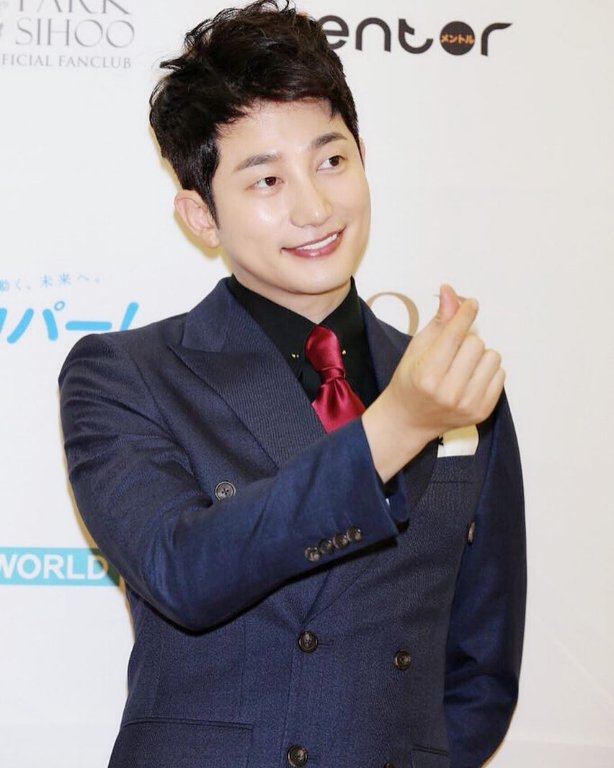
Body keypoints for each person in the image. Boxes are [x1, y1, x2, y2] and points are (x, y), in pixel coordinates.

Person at [59, 2, 526, 767]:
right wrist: (396, 428)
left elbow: (481, 665)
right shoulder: (127, 373)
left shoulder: (449, 381)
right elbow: (184, 571)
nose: (315, 207)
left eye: (331, 161)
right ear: (200, 215)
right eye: (268, 179)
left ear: (363, 157)